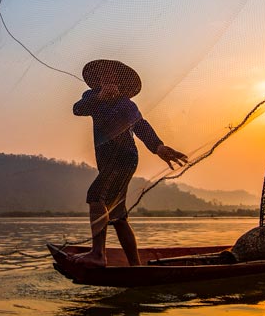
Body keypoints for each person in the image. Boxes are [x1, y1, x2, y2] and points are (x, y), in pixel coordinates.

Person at [71, 59, 188, 267]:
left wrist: (159, 147)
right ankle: (135, 265)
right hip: (106, 161)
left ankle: (98, 255)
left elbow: (141, 126)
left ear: (119, 80)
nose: (106, 77)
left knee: (96, 195)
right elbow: (77, 109)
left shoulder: (126, 104)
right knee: (117, 215)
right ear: (98, 79)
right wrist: (99, 97)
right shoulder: (91, 97)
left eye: (111, 74)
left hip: (125, 158)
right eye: (102, 74)